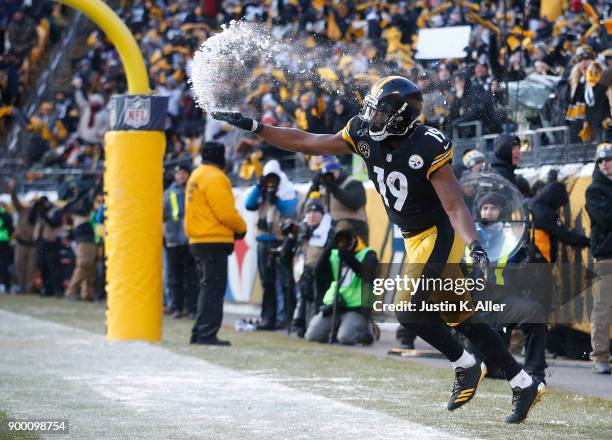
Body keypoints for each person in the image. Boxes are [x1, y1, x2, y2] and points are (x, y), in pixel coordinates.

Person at [214, 75, 545, 424]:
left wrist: (474, 244)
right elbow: (308, 141)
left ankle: (465, 364)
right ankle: (524, 383)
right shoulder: (361, 132)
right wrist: (257, 127)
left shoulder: (427, 145)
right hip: (413, 236)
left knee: (407, 312)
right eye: (371, 111)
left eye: (380, 114)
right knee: (460, 317)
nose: (371, 120)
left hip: (437, 235)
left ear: (402, 117)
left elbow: (454, 205)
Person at [464, 192, 548, 384]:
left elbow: (526, 274)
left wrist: (529, 257)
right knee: (477, 368)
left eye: (493, 207)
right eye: (485, 207)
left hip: (503, 298)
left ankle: (535, 372)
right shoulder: (469, 235)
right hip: (475, 300)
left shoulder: (513, 237)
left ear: (501, 210)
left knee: (534, 314)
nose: (488, 211)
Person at [185, 142, 247, 346]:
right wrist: (241, 228)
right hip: (213, 240)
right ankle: (206, 333)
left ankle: (199, 331)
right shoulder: (216, 177)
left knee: (206, 288)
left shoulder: (196, 175)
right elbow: (225, 212)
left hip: (198, 240)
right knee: (213, 289)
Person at [305, 220, 377, 345]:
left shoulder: (368, 254)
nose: (343, 242)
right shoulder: (334, 253)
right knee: (312, 335)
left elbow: (367, 275)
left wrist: (347, 256)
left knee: (345, 338)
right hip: (335, 303)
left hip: (356, 307)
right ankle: (338, 327)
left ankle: (366, 330)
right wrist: (328, 249)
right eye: (340, 239)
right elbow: (319, 273)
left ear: (354, 238)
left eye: (347, 238)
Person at [245, 159, 297, 330]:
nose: (271, 182)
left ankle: (286, 317)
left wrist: (276, 200)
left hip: (281, 240)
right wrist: (259, 187)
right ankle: (268, 318)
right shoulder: (261, 190)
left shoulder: (287, 189)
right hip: (263, 241)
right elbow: (249, 205)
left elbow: (290, 210)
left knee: (285, 281)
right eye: (268, 178)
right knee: (267, 281)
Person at [279, 197, 333, 336]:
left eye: (316, 212)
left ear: (322, 215)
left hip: (321, 279)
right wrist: (290, 237)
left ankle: (316, 327)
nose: (312, 215)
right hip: (301, 277)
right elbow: (285, 256)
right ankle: (299, 324)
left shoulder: (329, 231)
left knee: (314, 321)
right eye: (308, 212)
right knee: (300, 306)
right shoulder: (299, 230)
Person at [585, 142, 612, 374]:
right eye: (602, 160)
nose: (606, 163)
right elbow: (605, 218)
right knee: (603, 307)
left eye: (609, 158)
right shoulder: (594, 189)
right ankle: (600, 356)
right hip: (606, 256)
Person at [163, 164, 198, 319]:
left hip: (190, 240)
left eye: (184, 173)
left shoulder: (194, 191)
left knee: (192, 278)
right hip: (173, 240)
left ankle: (191, 309)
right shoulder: (168, 194)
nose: (181, 176)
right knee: (174, 277)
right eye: (179, 173)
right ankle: (176, 307)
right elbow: (162, 215)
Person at [308, 155, 368, 242]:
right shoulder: (326, 187)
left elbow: (355, 204)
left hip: (355, 228)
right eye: (327, 173)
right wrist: (315, 186)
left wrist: (333, 187)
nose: (330, 175)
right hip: (332, 227)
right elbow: (310, 206)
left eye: (333, 172)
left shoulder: (353, 183)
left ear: (339, 170)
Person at [8, 179, 37, 294]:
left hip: (33, 244)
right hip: (21, 243)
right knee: (19, 266)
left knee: (31, 268)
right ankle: (21, 286)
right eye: (32, 202)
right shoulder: (22, 210)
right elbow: (15, 201)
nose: (33, 204)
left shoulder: (39, 215)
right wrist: (12, 190)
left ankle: (29, 289)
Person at [0, 201, 13, 294]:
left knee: (4, 266)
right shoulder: (7, 215)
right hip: (5, 242)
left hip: (3, 242)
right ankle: (6, 285)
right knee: (4, 266)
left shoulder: (5, 215)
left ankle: (5, 285)